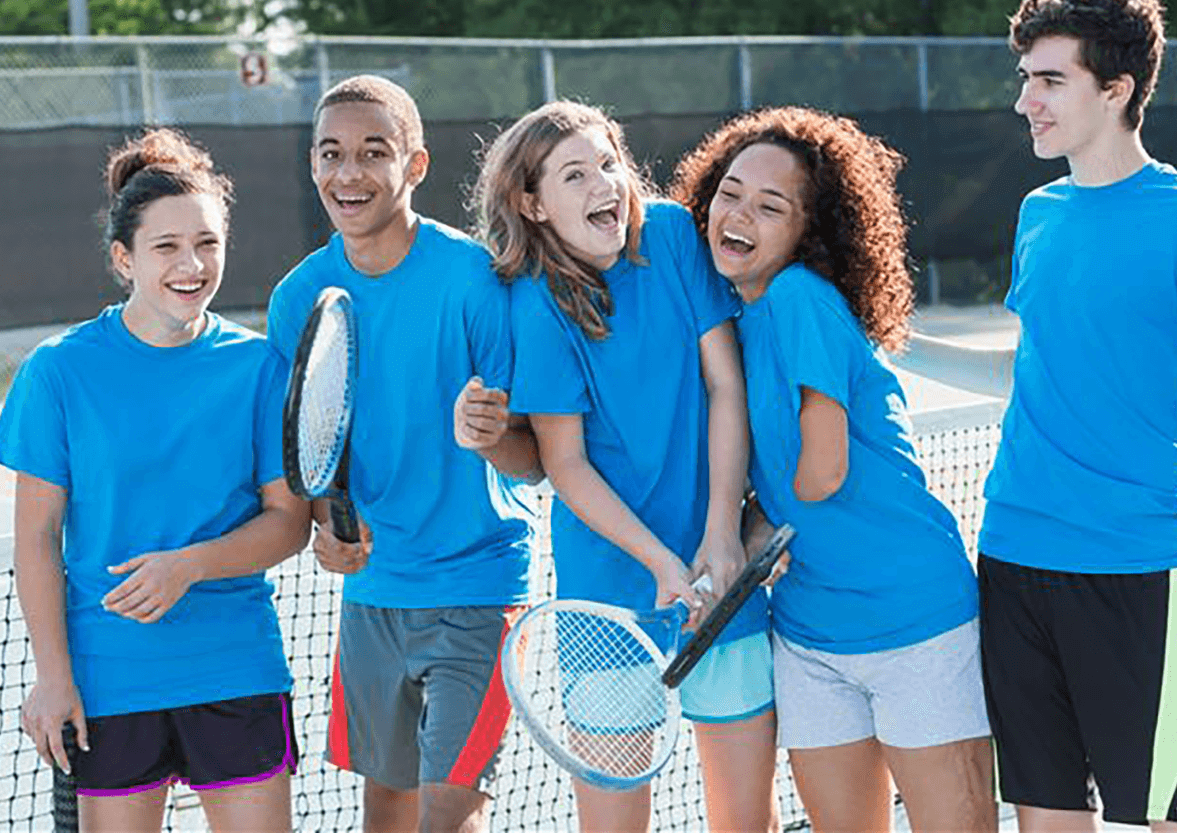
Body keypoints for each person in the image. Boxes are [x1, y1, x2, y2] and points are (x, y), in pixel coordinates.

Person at [894, 0, 1177, 830]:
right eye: (1026, 78)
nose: (1027, 99)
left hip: (1139, 573)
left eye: (1051, 80)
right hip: (1016, 563)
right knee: (1046, 819)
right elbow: (1035, 374)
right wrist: (891, 336)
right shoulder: (1039, 215)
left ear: (1117, 88)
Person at [670, 106, 997, 833]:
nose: (740, 213)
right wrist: (733, 545)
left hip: (914, 622)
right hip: (812, 637)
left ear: (806, 234)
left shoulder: (798, 299)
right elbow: (784, 488)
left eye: (771, 205)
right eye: (730, 191)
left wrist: (756, 538)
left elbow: (820, 471)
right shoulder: (733, 323)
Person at [468, 101, 778, 833]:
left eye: (608, 163)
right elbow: (565, 465)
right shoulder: (533, 304)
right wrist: (662, 564)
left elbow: (724, 386)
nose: (602, 183)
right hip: (605, 604)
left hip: (721, 581)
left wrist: (720, 537)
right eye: (573, 174)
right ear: (532, 202)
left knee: (746, 822)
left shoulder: (669, 234)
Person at [0, 129, 310, 833]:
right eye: (166, 247)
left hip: (236, 667)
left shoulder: (259, 368)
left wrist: (189, 567)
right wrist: (53, 677)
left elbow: (288, 521)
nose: (191, 265)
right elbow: (37, 539)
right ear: (123, 257)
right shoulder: (58, 371)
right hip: (109, 678)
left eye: (207, 244)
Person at [266, 74, 540, 833]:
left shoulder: (475, 279)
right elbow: (309, 449)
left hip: (479, 588)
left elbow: (532, 460)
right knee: (387, 815)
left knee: (446, 816)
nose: (347, 174)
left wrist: (497, 433)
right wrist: (326, 523)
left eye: (372, 153)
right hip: (373, 601)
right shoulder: (298, 298)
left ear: (414, 166)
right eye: (330, 154)